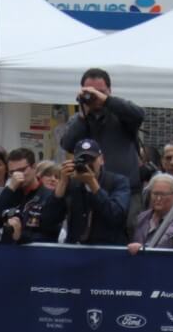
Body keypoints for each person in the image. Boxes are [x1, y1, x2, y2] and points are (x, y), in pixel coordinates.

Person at [60, 68, 144, 219]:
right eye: (90, 91)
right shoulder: (79, 119)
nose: (95, 96)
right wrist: (83, 115)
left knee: (128, 230)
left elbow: (139, 115)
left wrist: (107, 101)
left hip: (127, 190)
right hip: (89, 188)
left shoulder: (121, 115)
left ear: (110, 91)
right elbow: (67, 144)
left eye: (100, 91)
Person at [43, 139, 130, 247]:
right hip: (76, 249)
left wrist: (93, 184)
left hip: (107, 249)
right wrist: (62, 183)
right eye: (82, 160)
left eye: (91, 159)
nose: (87, 164)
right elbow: (48, 220)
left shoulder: (118, 182)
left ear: (102, 160)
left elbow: (116, 216)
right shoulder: (72, 184)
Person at [0, 148, 60, 246]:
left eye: (22, 170)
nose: (17, 175)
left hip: (35, 252)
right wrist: (10, 188)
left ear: (34, 167)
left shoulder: (49, 196)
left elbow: (51, 235)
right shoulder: (11, 194)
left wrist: (20, 236)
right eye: (12, 172)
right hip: (7, 251)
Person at [129, 173, 173, 254]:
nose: (158, 198)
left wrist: (143, 247)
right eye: (155, 193)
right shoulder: (142, 217)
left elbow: (168, 240)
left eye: (163, 194)